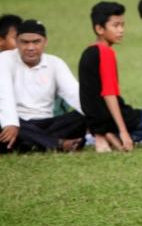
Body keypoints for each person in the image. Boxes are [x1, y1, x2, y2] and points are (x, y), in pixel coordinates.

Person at [78, 2, 142, 152]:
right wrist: (124, 132)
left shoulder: (88, 51)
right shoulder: (106, 53)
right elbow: (109, 94)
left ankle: (106, 134)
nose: (121, 30)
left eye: (122, 25)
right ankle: (115, 136)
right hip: (109, 118)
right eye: (116, 26)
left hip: (95, 120)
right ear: (99, 29)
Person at [0, 20, 86, 154]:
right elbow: (4, 95)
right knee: (5, 125)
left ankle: (31, 143)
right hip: (17, 122)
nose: (30, 47)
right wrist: (11, 123)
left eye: (36, 42)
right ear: (17, 42)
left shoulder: (55, 63)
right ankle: (58, 144)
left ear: (45, 42)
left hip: (46, 123)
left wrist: (98, 122)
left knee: (84, 116)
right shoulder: (4, 59)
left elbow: (76, 94)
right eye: (25, 42)